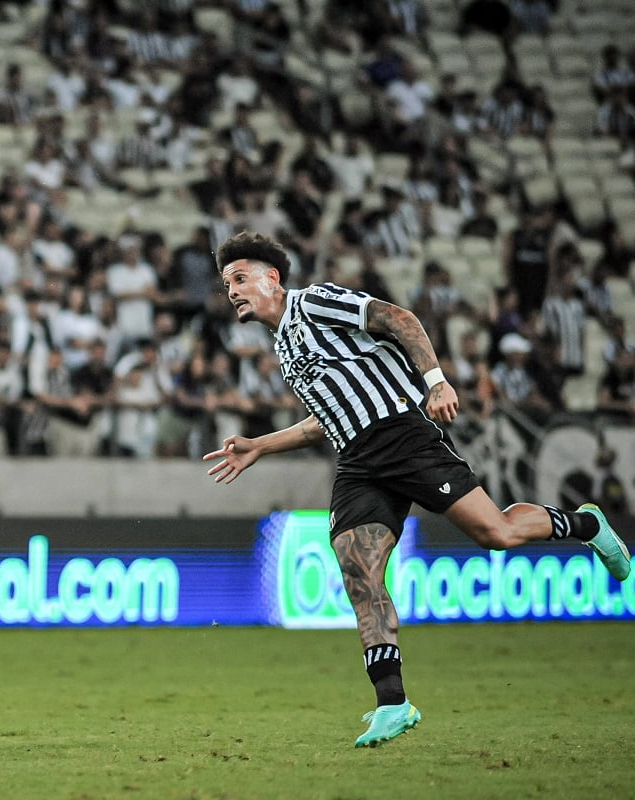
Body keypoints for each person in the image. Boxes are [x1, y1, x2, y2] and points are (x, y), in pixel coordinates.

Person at [202, 231, 631, 748]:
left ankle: (588, 524)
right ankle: (393, 703)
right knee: (358, 570)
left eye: (240, 277)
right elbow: (328, 418)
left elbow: (399, 319)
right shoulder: (285, 346)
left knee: (496, 533)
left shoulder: (314, 303)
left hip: (405, 435)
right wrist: (260, 445)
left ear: (272, 277)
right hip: (357, 459)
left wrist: (436, 380)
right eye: (227, 283)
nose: (233, 289)